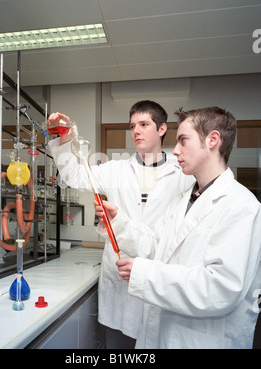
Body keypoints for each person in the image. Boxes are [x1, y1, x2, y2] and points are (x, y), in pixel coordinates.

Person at [95, 106, 261, 349]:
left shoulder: (241, 205)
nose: (174, 150)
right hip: (164, 333)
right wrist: (118, 222)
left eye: (184, 140)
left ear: (213, 140)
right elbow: (155, 245)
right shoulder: (184, 199)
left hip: (203, 340)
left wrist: (145, 275)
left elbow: (221, 288)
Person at [47, 100, 194, 349]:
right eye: (132, 125)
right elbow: (73, 176)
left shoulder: (182, 174)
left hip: (156, 279)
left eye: (144, 124)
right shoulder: (115, 170)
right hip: (119, 281)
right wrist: (64, 138)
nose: (136, 130)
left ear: (161, 129)